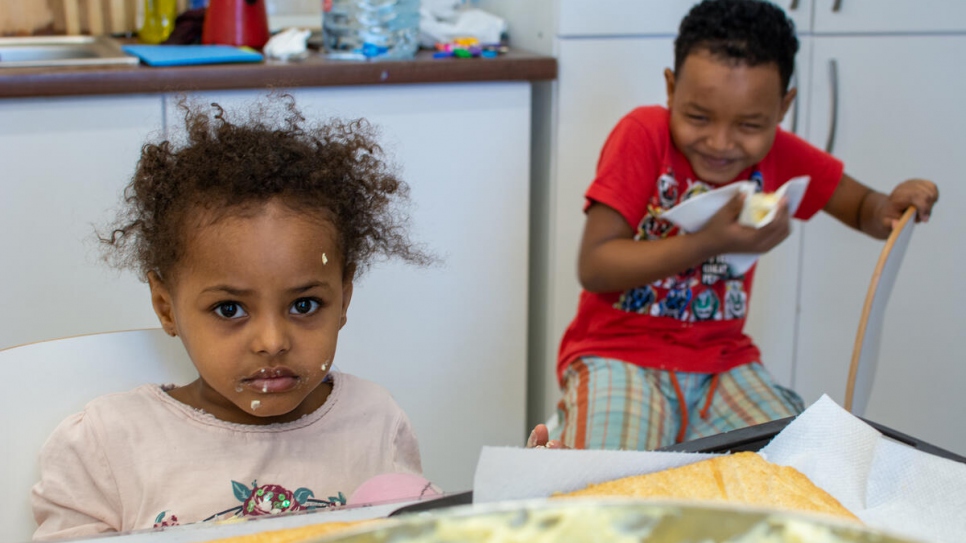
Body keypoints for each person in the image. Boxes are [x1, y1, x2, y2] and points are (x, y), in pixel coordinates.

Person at [531, 0, 938, 451]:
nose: (721, 143)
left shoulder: (780, 153)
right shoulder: (643, 134)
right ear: (670, 89)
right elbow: (596, 265)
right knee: (608, 489)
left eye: (749, 124)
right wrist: (708, 242)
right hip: (618, 356)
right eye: (698, 117)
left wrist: (890, 205)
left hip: (723, 365)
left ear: (783, 107)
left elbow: (863, 206)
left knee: (806, 461)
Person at [31, 96, 435, 540]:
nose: (272, 340)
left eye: (304, 305)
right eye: (230, 309)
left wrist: (523, 485)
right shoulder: (108, 445)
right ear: (166, 306)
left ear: (343, 300)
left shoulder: (374, 421)